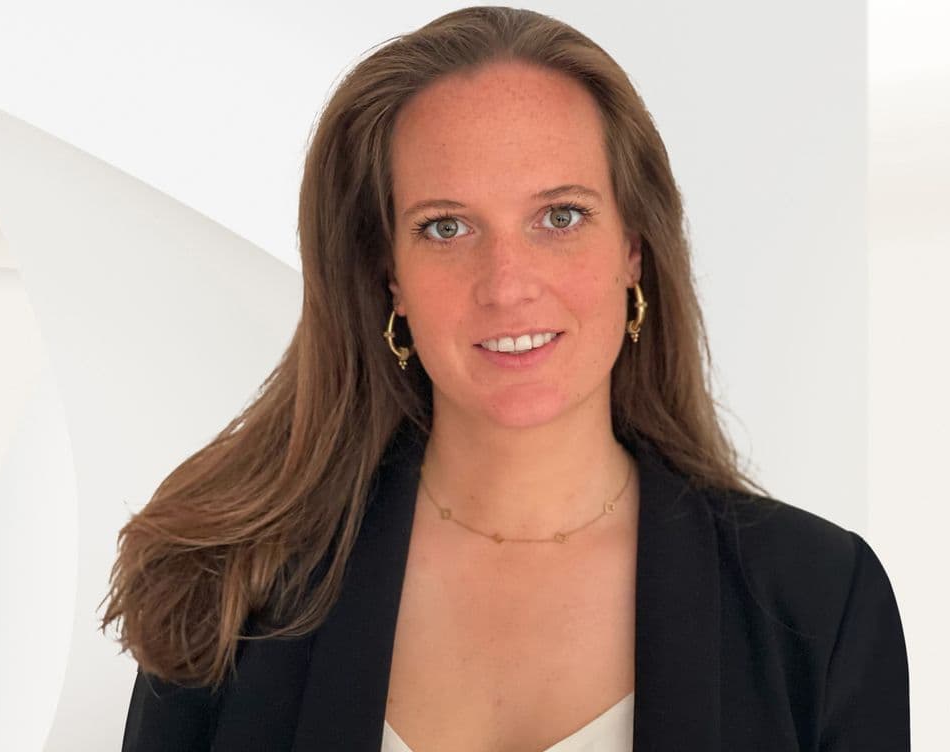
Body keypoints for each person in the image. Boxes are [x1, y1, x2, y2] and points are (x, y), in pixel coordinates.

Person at [104, 6, 909, 751]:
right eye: (445, 227)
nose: (507, 282)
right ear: (389, 273)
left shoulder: (819, 604)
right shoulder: (233, 585)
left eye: (560, 216)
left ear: (635, 247)